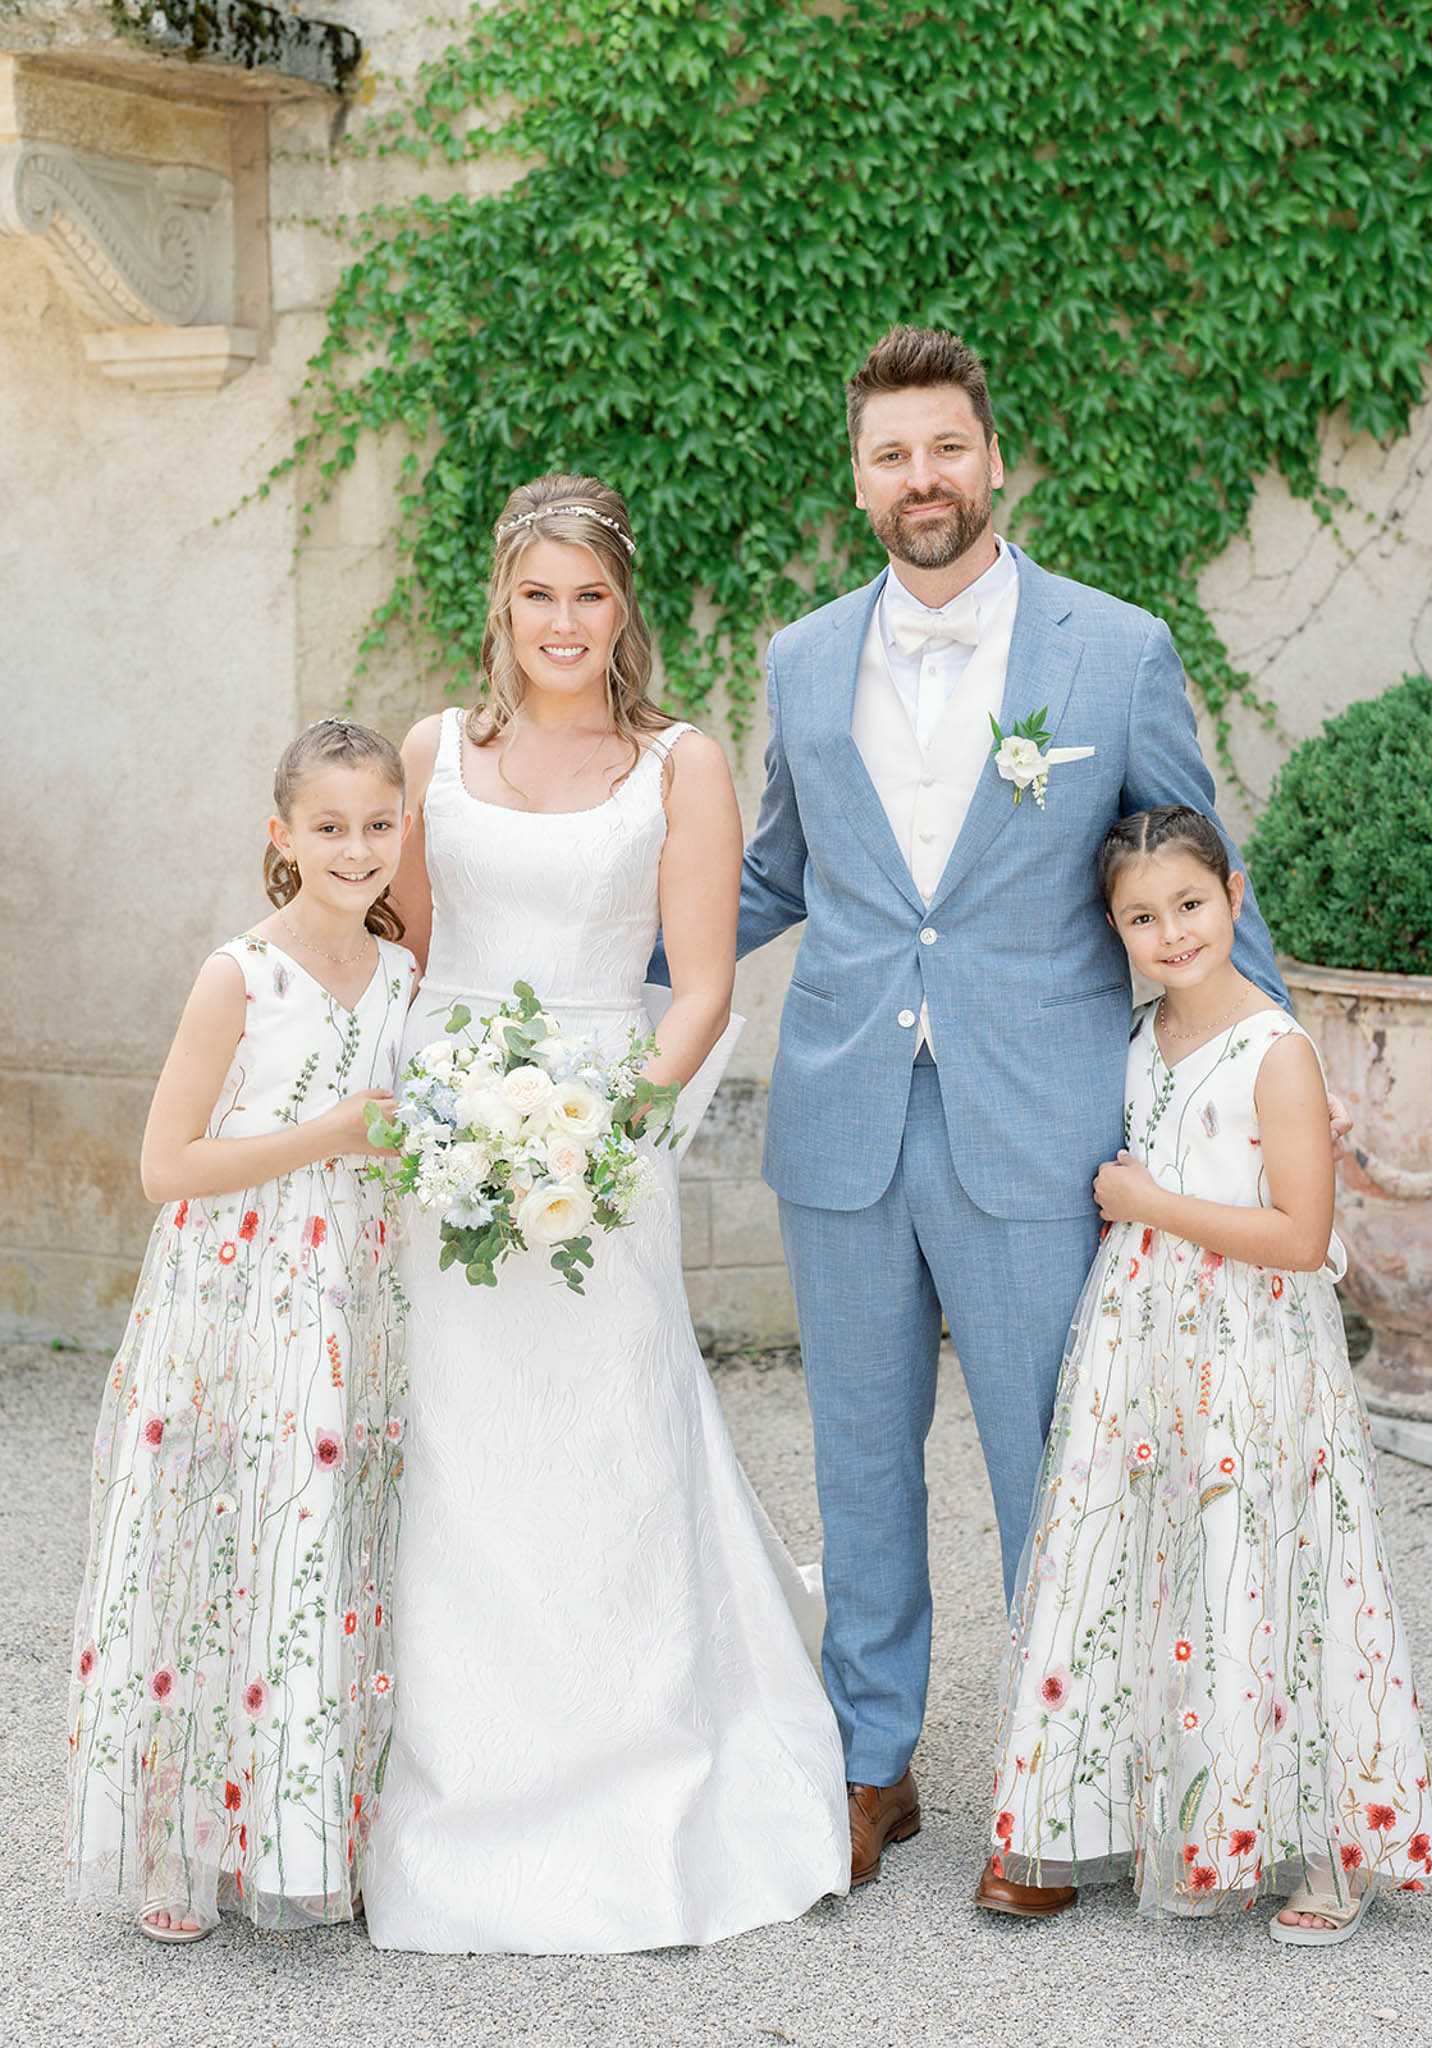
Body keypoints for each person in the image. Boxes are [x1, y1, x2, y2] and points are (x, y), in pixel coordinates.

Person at [652, 325, 1351, 1902]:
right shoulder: (800, 656)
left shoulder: (1114, 651)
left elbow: (1196, 865)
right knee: (855, 1456)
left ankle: (1066, 1770)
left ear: (994, 457)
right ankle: (870, 1762)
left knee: (1058, 1454)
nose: (923, 479)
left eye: (946, 449)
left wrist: (1273, 1066)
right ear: (858, 478)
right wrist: (567, 949)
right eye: (892, 455)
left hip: (1040, 1129)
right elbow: (772, 873)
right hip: (844, 1114)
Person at [361, 473, 849, 1956]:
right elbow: (418, 958)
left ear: (620, 607)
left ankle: (642, 1772)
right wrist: (459, 1123)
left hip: (602, 1142)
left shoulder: (679, 764)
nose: (561, 622)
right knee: (457, 1448)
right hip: (450, 1144)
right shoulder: (436, 749)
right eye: (535, 595)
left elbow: (699, 986)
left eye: (587, 594)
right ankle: (458, 1773)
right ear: (499, 606)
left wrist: (598, 1138)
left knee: (609, 1435)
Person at [982, 806, 1432, 1943]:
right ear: (1114, 930)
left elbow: (1297, 1234)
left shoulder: (1273, 1050)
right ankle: (1210, 1814)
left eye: (1188, 903)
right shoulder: (1144, 1036)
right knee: (1183, 1574)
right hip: (1148, 1346)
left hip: (1252, 1346)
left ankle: (1339, 1849)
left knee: (1278, 1570)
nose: (1170, 930)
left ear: (1234, 896)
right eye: (1140, 916)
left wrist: (1145, 1202)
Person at [66, 719, 415, 1942]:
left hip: (353, 1292)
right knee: (213, 1538)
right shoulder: (242, 972)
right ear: (282, 836)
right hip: (234, 1286)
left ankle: (302, 1823)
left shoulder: (403, 972)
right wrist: (331, 1134)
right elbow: (168, 1162)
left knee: (320, 1542)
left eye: (379, 823)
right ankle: (173, 1835)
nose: (356, 847)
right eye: (329, 826)